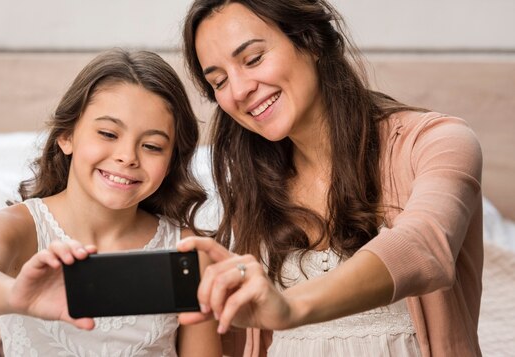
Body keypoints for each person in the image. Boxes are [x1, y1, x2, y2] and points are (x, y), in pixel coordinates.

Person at [176, 1, 483, 356]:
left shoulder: (437, 141)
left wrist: (289, 306)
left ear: (311, 41)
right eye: (219, 80)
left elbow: (425, 247)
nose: (239, 90)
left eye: (254, 59)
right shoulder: (252, 183)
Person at [0, 49, 222, 357]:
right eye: (108, 133)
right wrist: (18, 295)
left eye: (152, 146)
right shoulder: (19, 227)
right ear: (66, 135)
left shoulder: (187, 252)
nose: (128, 156)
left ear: (172, 160)